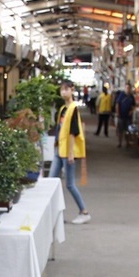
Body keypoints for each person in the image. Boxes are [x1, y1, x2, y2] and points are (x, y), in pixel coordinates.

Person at [49, 79, 91, 225]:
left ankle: (84, 212)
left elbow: (74, 132)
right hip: (59, 151)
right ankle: (53, 213)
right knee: (51, 181)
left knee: (70, 184)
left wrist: (71, 153)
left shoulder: (73, 109)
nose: (63, 92)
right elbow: (60, 130)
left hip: (68, 152)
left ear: (72, 90)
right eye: (62, 89)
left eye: (66, 89)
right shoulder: (63, 109)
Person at [116, 84, 136, 148]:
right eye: (127, 88)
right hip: (121, 116)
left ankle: (127, 143)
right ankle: (120, 143)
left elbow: (133, 105)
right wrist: (118, 113)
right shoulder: (121, 95)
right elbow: (117, 104)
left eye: (129, 88)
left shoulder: (131, 96)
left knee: (128, 131)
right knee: (120, 130)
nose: (128, 89)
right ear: (125, 88)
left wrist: (132, 111)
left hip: (128, 117)